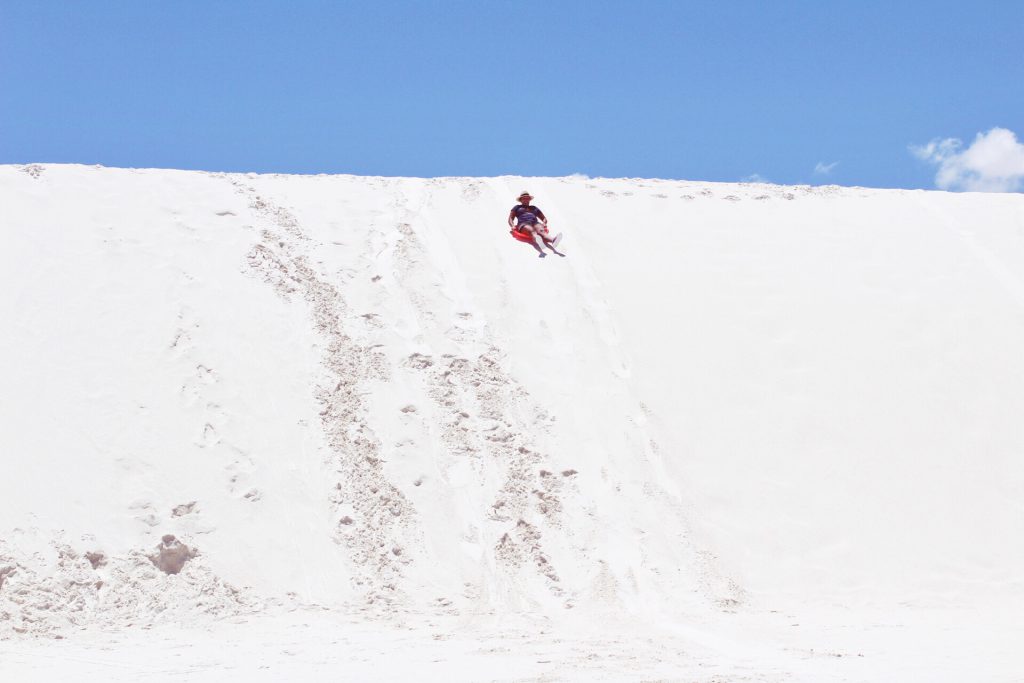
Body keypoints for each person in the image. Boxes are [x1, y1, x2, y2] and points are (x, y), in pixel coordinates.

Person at [508, 191, 558, 257]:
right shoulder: (517, 207)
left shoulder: (534, 208)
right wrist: (512, 225)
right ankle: (540, 247)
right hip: (523, 223)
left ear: (529, 199)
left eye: (527, 198)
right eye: (524, 198)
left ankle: (553, 240)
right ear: (521, 200)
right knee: (532, 230)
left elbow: (544, 218)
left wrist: (544, 223)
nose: (526, 199)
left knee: (541, 231)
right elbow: (510, 218)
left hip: (535, 222)